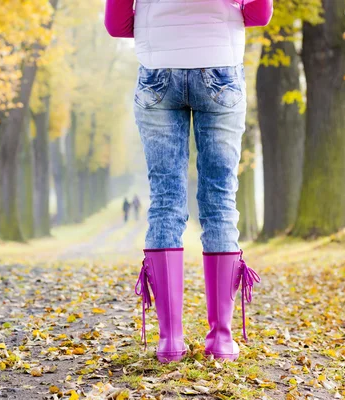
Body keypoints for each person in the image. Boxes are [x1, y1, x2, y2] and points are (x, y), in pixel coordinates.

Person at [105, 0, 272, 363]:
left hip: (157, 73)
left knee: (165, 198)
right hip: (221, 70)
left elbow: (116, 24)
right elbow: (259, 14)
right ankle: (222, 339)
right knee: (220, 199)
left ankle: (170, 340)